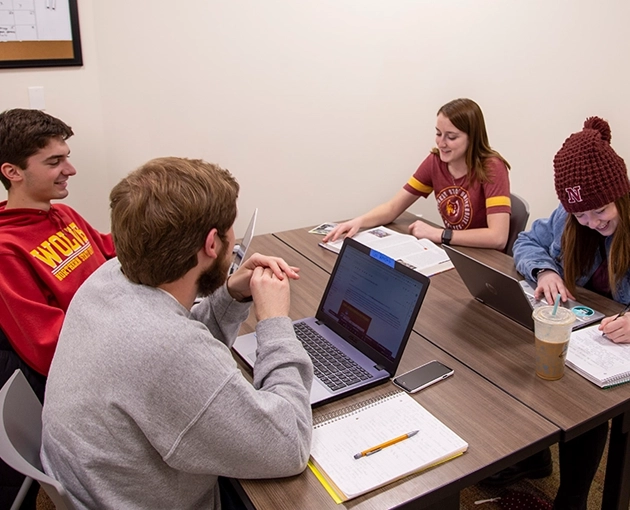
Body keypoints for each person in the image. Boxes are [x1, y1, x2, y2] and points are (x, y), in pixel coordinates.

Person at [41, 157, 314, 510]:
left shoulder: (108, 277)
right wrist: (275, 322)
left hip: (98, 486)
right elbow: (287, 445)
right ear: (212, 244)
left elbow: (177, 335)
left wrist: (231, 294)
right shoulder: (165, 347)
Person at [494, 116, 627, 510]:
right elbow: (526, 241)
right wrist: (546, 269)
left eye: (600, 210)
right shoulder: (571, 217)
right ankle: (534, 457)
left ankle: (572, 499)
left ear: (620, 193)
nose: (591, 222)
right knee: (523, 357)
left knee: (583, 400)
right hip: (587, 328)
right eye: (581, 215)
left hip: (616, 346)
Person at [0, 108, 115, 509]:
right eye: (54, 162)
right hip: (85, 386)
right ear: (12, 172)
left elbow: (113, 254)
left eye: (66, 156)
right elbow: (52, 351)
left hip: (111, 348)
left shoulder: (60, 213)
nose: (71, 169)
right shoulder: (7, 249)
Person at [323, 98, 512, 250]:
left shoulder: (492, 167)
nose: (442, 143)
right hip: (455, 251)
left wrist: (440, 234)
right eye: (438, 133)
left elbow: (498, 237)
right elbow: (393, 208)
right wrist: (359, 221)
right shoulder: (435, 161)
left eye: (451, 137)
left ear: (473, 137)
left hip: (483, 258)